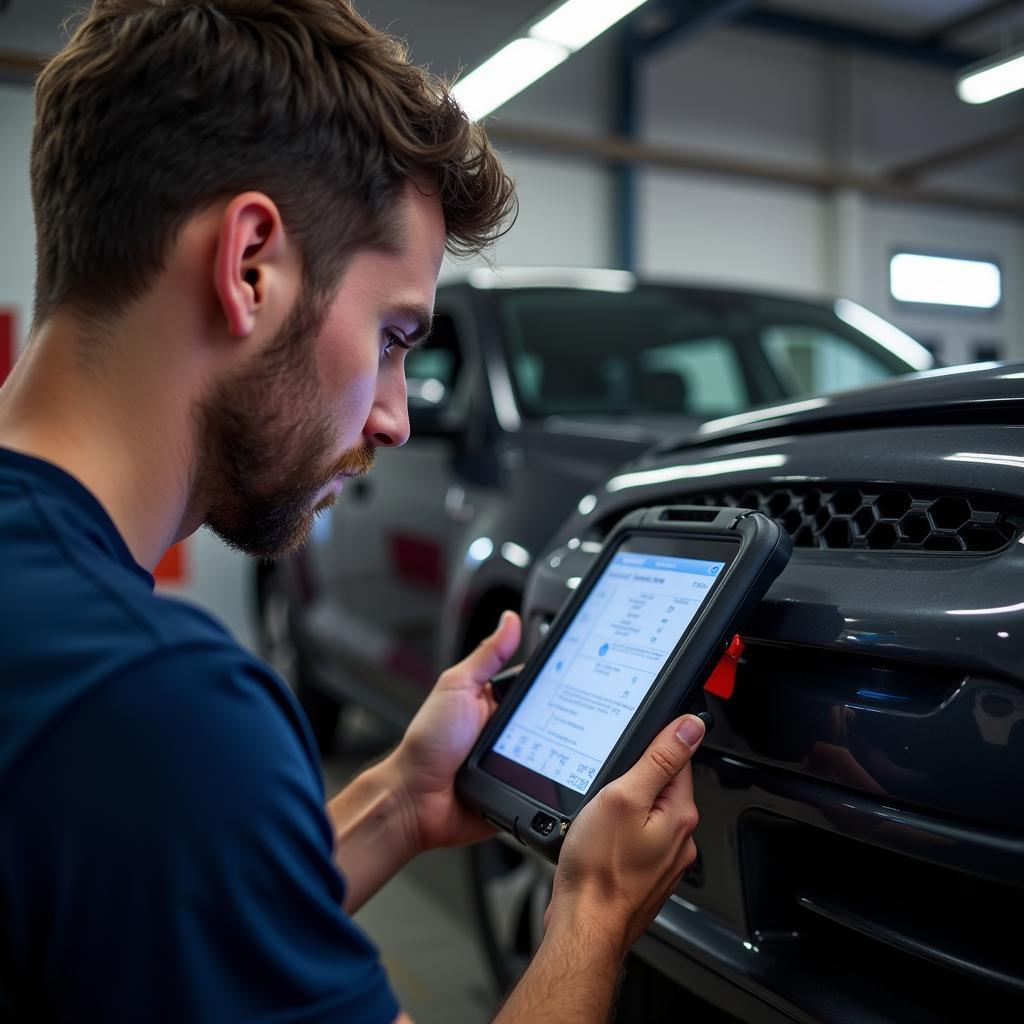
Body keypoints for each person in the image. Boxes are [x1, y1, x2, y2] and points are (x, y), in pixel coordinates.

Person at [0, 1, 705, 1021]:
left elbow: (152, 916)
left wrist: (398, 805)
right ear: (250, 266)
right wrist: (593, 910)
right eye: (390, 336)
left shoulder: (74, 675)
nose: (392, 419)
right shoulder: (148, 703)